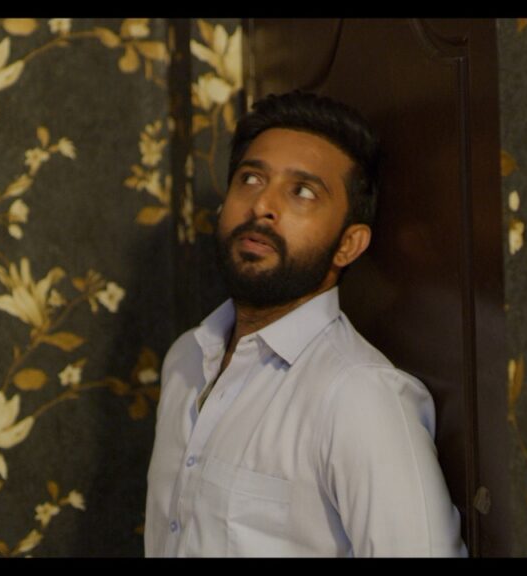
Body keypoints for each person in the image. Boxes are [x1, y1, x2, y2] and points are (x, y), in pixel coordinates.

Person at [144, 90, 467, 557]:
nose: (262, 205)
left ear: (348, 244)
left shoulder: (359, 394)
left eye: (302, 192)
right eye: (250, 178)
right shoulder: (186, 358)